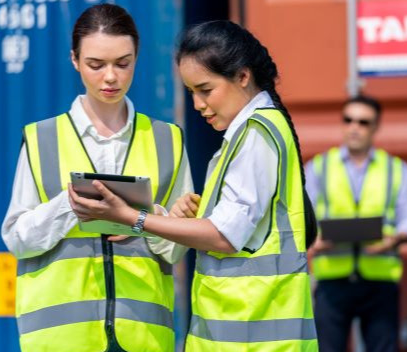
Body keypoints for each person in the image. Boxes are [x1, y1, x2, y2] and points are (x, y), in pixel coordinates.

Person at [68, 20, 319, 351]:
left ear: (243, 76)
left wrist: (135, 219)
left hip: (252, 338)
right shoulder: (255, 131)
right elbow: (245, 228)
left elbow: (225, 236)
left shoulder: (256, 135)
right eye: (191, 93)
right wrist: (197, 215)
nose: (198, 104)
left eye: (206, 90)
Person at [1, 4, 192, 352]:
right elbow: (16, 238)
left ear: (137, 57)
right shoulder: (42, 139)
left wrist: (147, 219)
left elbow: (177, 250)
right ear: (75, 59)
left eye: (123, 63)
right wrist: (71, 205)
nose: (110, 77)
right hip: (61, 339)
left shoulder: (169, 140)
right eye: (96, 64)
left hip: (144, 337)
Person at [305, 95, 407, 352]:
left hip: (379, 280)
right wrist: (313, 240)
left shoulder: (395, 169)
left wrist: (396, 239)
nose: (354, 127)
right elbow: (300, 217)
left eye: (363, 122)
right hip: (332, 280)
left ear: (375, 127)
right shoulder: (319, 168)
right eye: (348, 120)